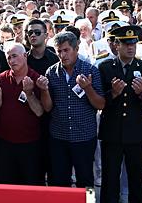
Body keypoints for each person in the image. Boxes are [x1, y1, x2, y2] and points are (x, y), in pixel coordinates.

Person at [97, 25, 142, 203]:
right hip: (112, 132)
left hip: (136, 132)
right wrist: (112, 94)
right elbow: (99, 101)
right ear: (116, 45)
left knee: (135, 177)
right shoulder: (105, 67)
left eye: (133, 44)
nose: (130, 48)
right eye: (126, 44)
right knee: (110, 176)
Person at [38, 31, 104, 187]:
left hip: (83, 137)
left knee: (86, 181)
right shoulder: (51, 72)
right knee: (59, 182)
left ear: (76, 49)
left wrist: (87, 88)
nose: (62, 55)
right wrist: (44, 90)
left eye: (66, 50)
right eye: (59, 51)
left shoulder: (90, 70)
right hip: (59, 138)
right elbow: (47, 108)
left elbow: (101, 105)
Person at [0, 42, 44, 185]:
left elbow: (39, 112)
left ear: (25, 56)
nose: (12, 61)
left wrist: (29, 94)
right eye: (8, 58)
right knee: (6, 184)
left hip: (30, 144)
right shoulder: (1, 79)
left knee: (31, 185)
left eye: (14, 56)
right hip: (4, 143)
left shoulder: (36, 78)